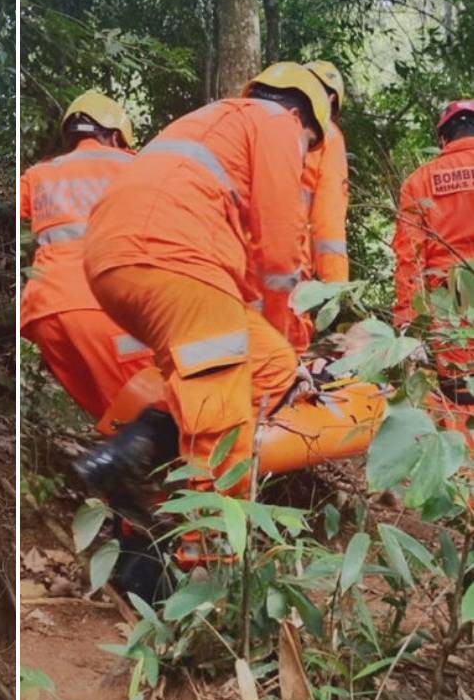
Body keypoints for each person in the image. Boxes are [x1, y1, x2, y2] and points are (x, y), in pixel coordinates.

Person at [77, 62, 329, 506]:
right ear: (300, 117)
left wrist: (279, 348)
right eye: (309, 144)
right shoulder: (278, 123)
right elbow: (277, 250)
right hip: (175, 258)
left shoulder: (212, 121)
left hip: (113, 261)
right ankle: (209, 546)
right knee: (223, 430)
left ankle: (141, 448)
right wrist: (284, 329)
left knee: (274, 371)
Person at [21, 90, 154, 422]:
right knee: (152, 413)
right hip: (104, 308)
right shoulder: (138, 167)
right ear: (116, 136)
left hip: (46, 314)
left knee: (116, 417)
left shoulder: (41, 174)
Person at [393, 100, 474, 383]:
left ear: (442, 139)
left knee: (459, 393)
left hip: (450, 310)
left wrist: (408, 322)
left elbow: (410, 259)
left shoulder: (419, 182)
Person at [303, 60, 351, 282]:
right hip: (284, 262)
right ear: (330, 100)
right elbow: (328, 221)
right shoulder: (328, 134)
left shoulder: (262, 119)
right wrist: (336, 288)